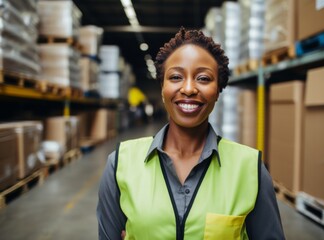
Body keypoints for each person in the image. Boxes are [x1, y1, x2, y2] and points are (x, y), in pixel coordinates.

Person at [97, 27, 285, 239]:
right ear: (162, 87)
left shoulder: (250, 168)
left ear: (218, 90)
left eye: (203, 78)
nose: (188, 88)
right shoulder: (121, 163)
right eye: (176, 77)